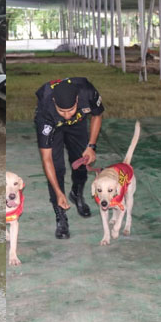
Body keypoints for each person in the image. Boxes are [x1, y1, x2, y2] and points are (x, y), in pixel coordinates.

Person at [34, 78, 104, 239]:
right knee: (57, 168)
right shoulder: (46, 109)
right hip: (53, 126)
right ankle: (60, 215)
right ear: (54, 102)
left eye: (70, 110)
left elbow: (97, 115)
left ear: (77, 100)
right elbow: (47, 159)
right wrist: (58, 192)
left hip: (78, 124)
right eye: (62, 111)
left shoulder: (87, 91)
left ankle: (76, 193)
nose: (66, 115)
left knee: (81, 160)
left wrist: (91, 146)